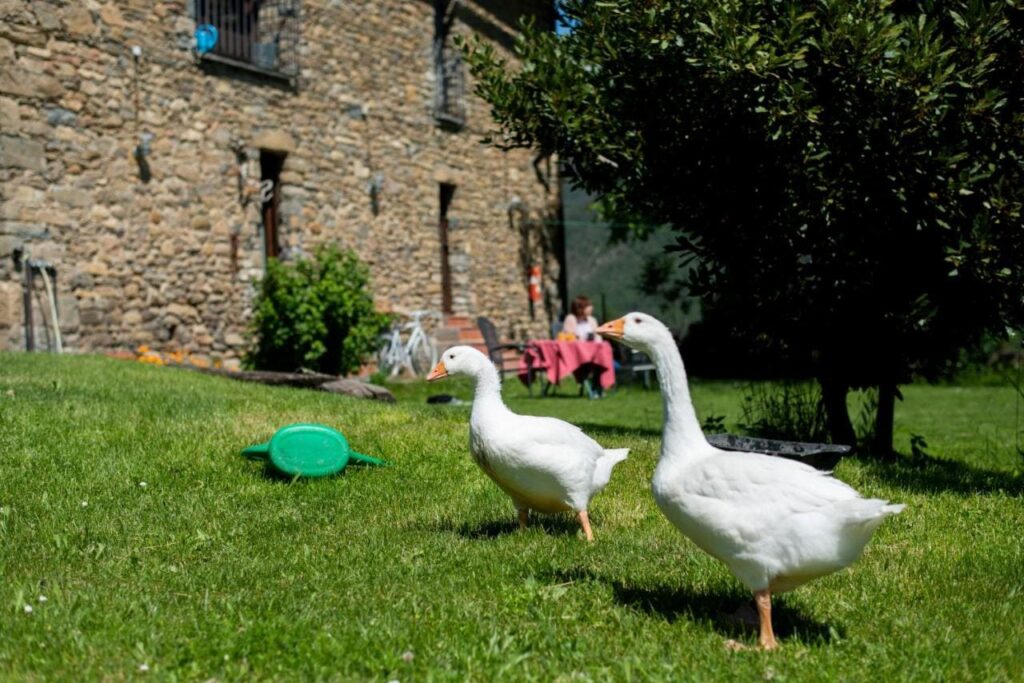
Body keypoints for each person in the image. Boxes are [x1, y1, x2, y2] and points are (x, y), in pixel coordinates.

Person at [562, 296, 604, 398]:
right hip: (577, 355)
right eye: (588, 306)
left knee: (601, 362)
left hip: (593, 352)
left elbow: (599, 337)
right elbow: (569, 338)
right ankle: (595, 390)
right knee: (593, 365)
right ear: (580, 308)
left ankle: (597, 389)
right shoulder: (571, 319)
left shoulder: (592, 320)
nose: (591, 308)